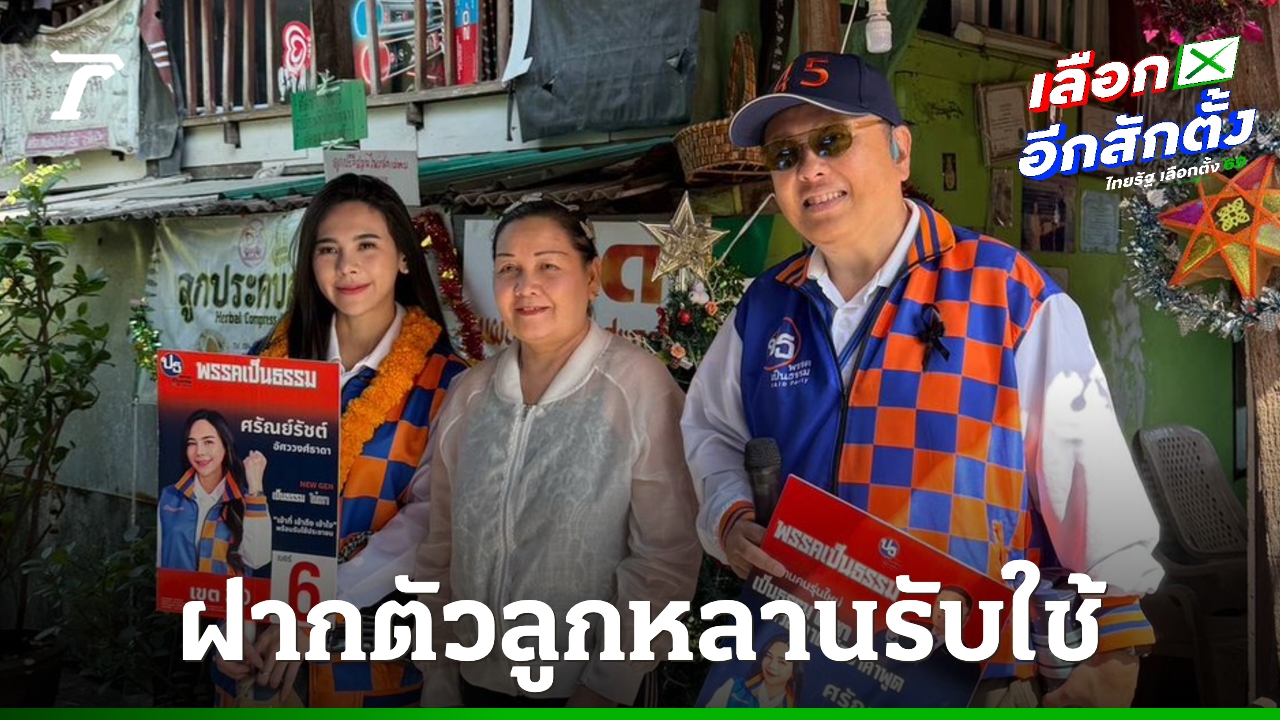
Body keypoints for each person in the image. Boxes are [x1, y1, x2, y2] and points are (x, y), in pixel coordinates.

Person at [680, 52, 1163, 709]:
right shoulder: (764, 307)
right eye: (784, 155)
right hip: (790, 662)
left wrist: (1114, 651)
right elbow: (710, 431)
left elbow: (1091, 484)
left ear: (900, 151)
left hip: (964, 672)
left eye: (832, 140)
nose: (810, 169)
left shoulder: (1006, 292)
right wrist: (729, 516)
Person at [414, 199, 702, 707]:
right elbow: (441, 548)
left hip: (587, 692)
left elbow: (665, 558)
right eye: (509, 269)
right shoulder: (471, 395)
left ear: (592, 277)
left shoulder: (637, 387)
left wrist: (605, 684)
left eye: (548, 265)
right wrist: (438, 674)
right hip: (470, 685)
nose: (526, 286)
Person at [211, 173, 468, 707]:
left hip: (369, 659)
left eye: (367, 245)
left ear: (404, 257)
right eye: (328, 249)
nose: (346, 265)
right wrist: (223, 619)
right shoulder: (264, 364)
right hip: (252, 646)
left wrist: (315, 610)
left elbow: (428, 524)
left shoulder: (447, 384)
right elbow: (224, 500)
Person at [158, 409, 270, 575]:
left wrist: (256, 487)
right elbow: (160, 561)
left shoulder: (247, 500)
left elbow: (258, 558)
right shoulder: (169, 496)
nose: (199, 452)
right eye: (192, 443)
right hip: (180, 590)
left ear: (225, 446)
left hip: (230, 592)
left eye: (208, 442)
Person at [705, 634, 802, 708]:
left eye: (781, 662)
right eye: (768, 656)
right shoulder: (734, 688)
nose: (771, 666)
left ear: (793, 673)